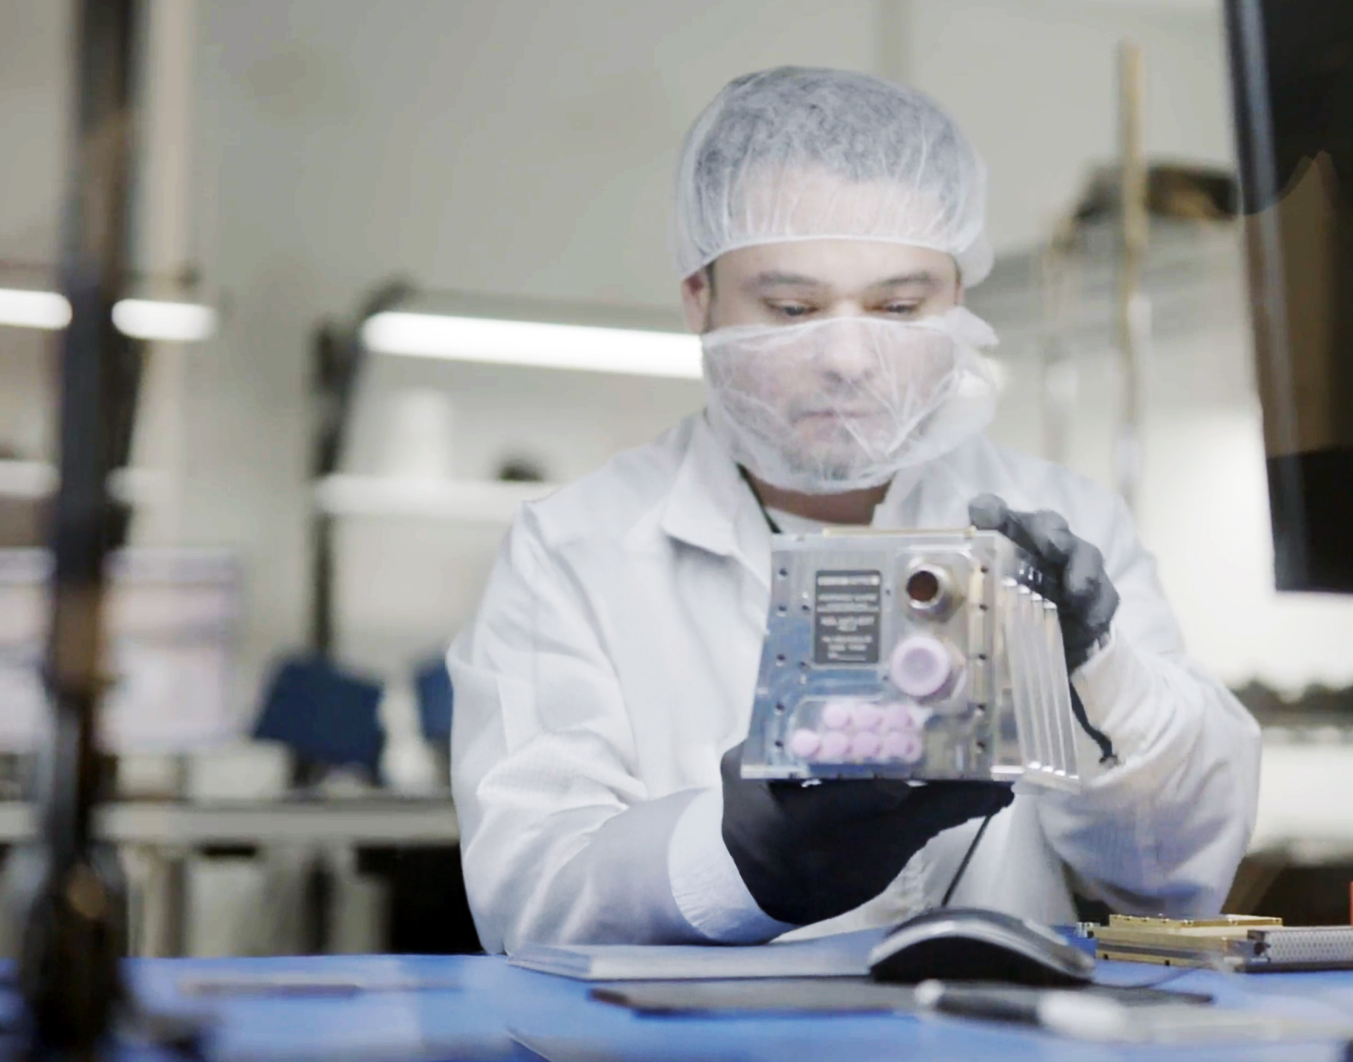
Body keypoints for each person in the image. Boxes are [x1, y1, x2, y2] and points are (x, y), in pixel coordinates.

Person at [449, 66, 1262, 953]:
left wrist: (1098, 674)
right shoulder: (574, 551)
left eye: (898, 307)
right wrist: (737, 862)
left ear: (958, 301)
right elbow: (529, 898)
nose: (846, 357)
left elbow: (1175, 873)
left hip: (991, 1031)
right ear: (699, 298)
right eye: (792, 307)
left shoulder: (1066, 525)